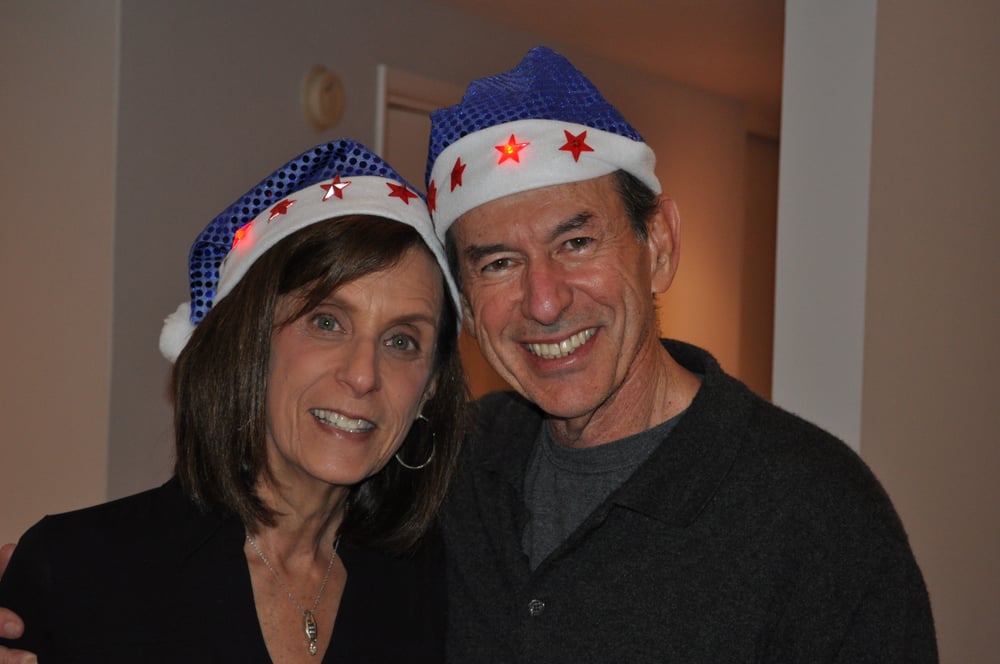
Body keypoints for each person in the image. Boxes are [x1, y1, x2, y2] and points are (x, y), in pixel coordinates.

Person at [425, 47, 938, 662]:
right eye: (499, 263)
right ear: (466, 304)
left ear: (659, 246)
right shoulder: (455, 466)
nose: (544, 301)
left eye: (577, 242)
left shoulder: (820, 510)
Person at [0, 138, 466, 663]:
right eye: (326, 322)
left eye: (402, 341)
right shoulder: (77, 569)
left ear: (430, 386)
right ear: (251, 342)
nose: (362, 375)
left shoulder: (439, 589)